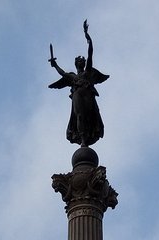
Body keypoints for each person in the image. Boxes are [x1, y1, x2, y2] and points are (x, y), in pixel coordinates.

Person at [47, 19, 109, 147]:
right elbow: (62, 73)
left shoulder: (88, 72)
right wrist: (55, 65)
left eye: (83, 61)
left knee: (90, 115)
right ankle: (83, 139)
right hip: (77, 95)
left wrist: (88, 38)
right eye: (79, 61)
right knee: (79, 115)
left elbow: (90, 53)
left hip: (88, 94)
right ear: (76, 64)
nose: (82, 62)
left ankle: (89, 134)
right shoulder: (72, 76)